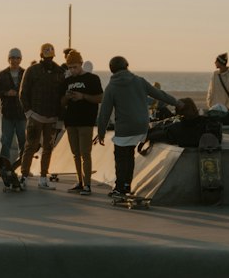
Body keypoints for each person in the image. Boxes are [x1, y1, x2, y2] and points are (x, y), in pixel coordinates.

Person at [96, 57, 179, 199]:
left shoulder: (112, 87)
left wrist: (101, 132)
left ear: (112, 70)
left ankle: (120, 188)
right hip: (141, 127)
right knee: (129, 155)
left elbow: (104, 112)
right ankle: (127, 185)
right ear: (127, 66)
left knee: (122, 157)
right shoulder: (139, 81)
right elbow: (159, 94)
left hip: (125, 128)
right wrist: (177, 102)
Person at [19, 43, 66, 189]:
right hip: (35, 116)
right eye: (47, 57)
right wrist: (29, 113)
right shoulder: (32, 71)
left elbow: (62, 95)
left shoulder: (59, 71)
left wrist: (59, 117)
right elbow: (23, 93)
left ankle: (43, 177)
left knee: (48, 148)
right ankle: (24, 176)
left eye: (51, 57)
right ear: (41, 56)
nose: (49, 60)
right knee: (30, 146)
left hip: (52, 118)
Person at [61, 50, 102, 194]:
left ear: (81, 64)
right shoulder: (67, 81)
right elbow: (61, 103)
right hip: (71, 121)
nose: (72, 70)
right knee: (75, 153)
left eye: (75, 67)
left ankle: (87, 184)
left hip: (86, 120)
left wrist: (82, 96)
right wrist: (67, 97)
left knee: (85, 153)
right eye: (70, 67)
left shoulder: (92, 79)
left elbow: (100, 98)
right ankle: (80, 181)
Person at [0, 49, 26, 162]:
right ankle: (3, 166)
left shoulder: (26, 73)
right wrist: (6, 93)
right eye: (12, 58)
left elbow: (32, 90)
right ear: (8, 59)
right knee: (5, 141)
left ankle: (24, 166)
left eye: (17, 58)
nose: (15, 60)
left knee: (23, 141)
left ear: (20, 59)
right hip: (7, 114)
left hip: (22, 114)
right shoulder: (1, 75)